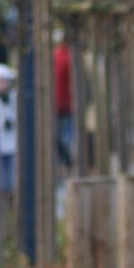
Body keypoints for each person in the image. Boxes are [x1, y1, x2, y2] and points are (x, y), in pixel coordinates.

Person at [0, 64, 18, 203]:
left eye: (4, 82)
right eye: (0, 82)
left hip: (12, 146)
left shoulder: (14, 99)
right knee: (1, 181)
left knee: (12, 180)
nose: (2, 85)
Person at [54, 31, 73, 169]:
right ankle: (67, 162)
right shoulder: (70, 57)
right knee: (65, 137)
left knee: (60, 136)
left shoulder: (55, 55)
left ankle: (65, 162)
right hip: (66, 103)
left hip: (58, 102)